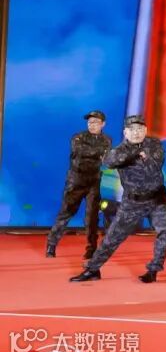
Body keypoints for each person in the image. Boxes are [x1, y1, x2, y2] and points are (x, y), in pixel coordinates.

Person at [69, 115, 166, 283]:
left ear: (145, 130)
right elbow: (109, 161)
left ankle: (153, 270)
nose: (136, 133)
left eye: (140, 129)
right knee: (112, 237)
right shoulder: (119, 150)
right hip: (132, 202)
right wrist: (136, 154)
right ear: (126, 132)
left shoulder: (154, 144)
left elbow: (155, 166)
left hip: (157, 199)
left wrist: (133, 157)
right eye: (132, 129)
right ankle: (93, 269)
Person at [46, 110, 112, 260]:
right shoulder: (78, 137)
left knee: (92, 217)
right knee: (66, 213)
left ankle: (91, 249)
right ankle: (51, 245)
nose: (92, 124)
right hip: (76, 181)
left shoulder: (107, 139)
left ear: (103, 124)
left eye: (95, 122)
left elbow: (107, 157)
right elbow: (82, 151)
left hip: (94, 182)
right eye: (90, 122)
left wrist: (102, 155)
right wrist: (99, 153)